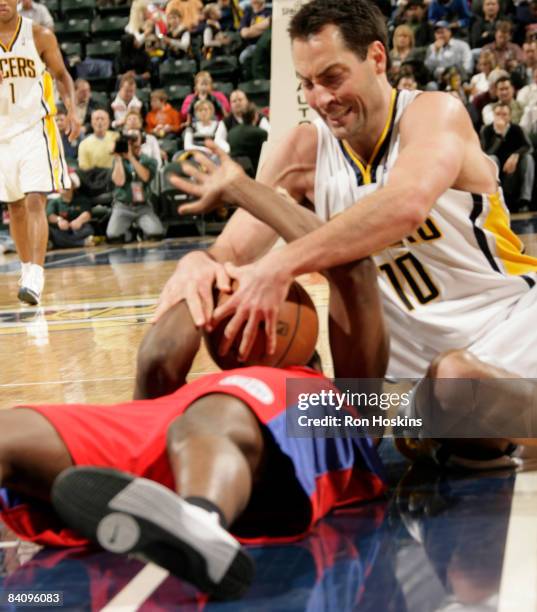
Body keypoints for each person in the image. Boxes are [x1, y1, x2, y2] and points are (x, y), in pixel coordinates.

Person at [138, 0, 537, 464]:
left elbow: (403, 206)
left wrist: (281, 262)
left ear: (377, 58)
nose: (322, 98)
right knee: (316, 415)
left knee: (453, 380)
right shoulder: (304, 149)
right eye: (307, 84)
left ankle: (452, 427)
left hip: (510, 326)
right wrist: (198, 264)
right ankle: (147, 444)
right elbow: (232, 250)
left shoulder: (433, 114)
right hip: (400, 382)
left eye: (332, 77)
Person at [0, 363, 386, 599]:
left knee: (216, 413)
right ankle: (181, 522)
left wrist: (273, 272)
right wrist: (199, 277)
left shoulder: (319, 389)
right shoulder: (192, 383)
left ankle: (201, 520)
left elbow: (357, 277)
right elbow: (158, 359)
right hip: (153, 431)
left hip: (235, 421)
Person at [0, 0, 80, 305]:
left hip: (36, 128)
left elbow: (62, 76)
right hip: (2, 134)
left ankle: (36, 272)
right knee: (15, 206)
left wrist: (72, 110)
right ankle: (25, 269)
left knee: (35, 199)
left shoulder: (40, 35)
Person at [106, 130, 164, 242]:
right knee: (113, 235)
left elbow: (145, 177)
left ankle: (140, 229)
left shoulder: (149, 160)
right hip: (123, 205)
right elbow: (119, 182)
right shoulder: (119, 160)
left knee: (156, 233)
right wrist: (118, 158)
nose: (131, 144)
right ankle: (130, 231)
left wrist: (131, 158)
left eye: (134, 140)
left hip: (143, 206)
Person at [480, 101, 535, 210]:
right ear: (493, 116)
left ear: (510, 116)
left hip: (515, 170)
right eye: (498, 114)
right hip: (497, 170)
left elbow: (529, 147)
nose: (501, 117)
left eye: (504, 114)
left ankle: (525, 200)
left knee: (528, 158)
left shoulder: (517, 129)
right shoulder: (486, 130)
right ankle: (493, 198)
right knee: (492, 159)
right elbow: (485, 154)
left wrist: (516, 155)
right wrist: (499, 137)